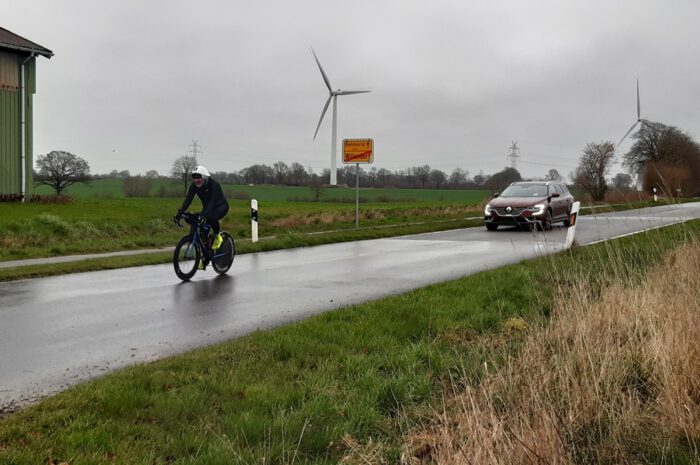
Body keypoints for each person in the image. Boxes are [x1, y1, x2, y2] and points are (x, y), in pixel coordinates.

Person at [175, 165, 229, 250]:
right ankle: (205, 249)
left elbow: (212, 202)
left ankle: (218, 236)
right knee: (195, 219)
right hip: (208, 207)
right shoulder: (194, 186)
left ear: (204, 177)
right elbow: (188, 200)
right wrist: (180, 212)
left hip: (220, 207)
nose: (196, 180)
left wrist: (203, 216)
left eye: (198, 177)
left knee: (210, 218)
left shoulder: (214, 185)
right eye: (194, 178)